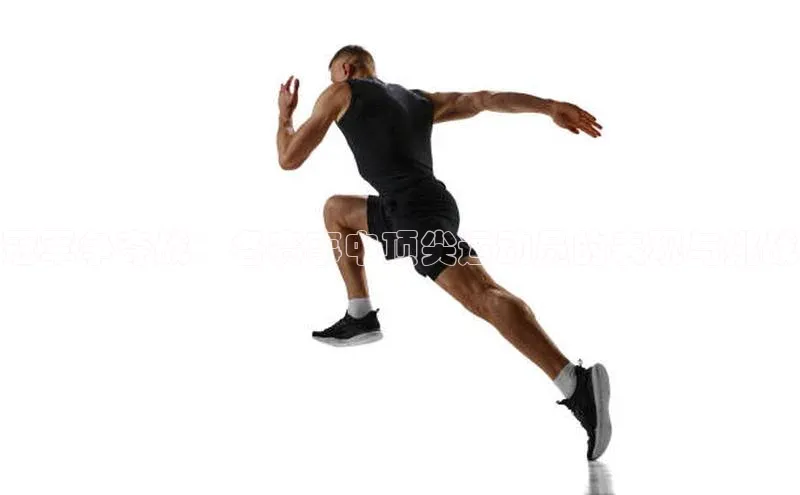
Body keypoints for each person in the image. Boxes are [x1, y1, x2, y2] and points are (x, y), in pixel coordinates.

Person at [276, 44, 611, 461]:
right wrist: (548, 107)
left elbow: (289, 159)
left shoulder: (341, 92)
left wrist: (285, 116)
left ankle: (575, 383)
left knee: (483, 295)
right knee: (337, 210)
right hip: (414, 206)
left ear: (345, 69)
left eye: (331, 78)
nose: (330, 86)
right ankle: (360, 314)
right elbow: (483, 99)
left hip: (415, 214)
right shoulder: (416, 100)